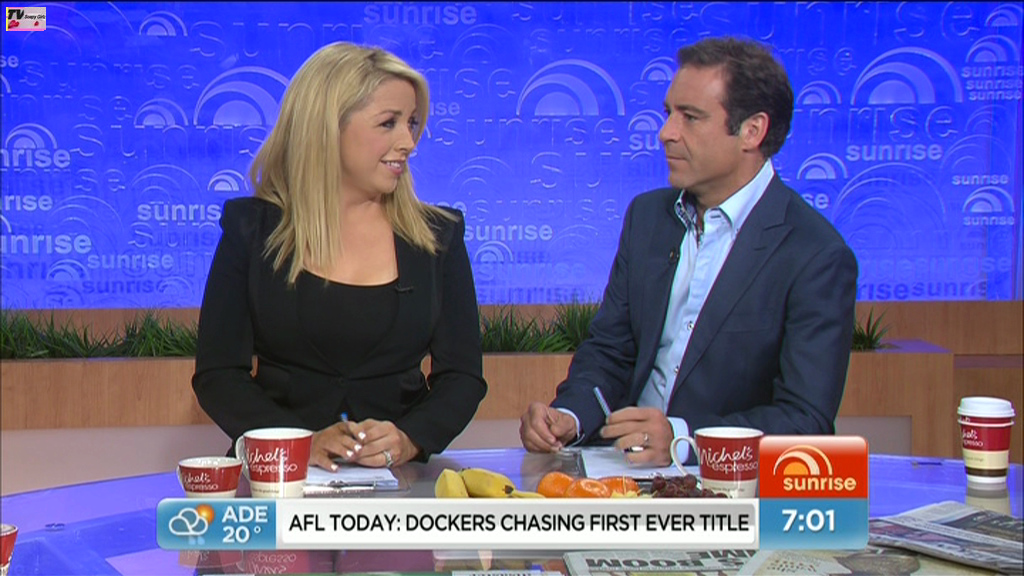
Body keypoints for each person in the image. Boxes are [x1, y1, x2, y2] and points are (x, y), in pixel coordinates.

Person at [519, 36, 858, 465]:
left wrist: (684, 441)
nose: (666, 133)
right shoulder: (647, 219)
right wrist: (569, 416)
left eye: (691, 117)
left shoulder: (814, 254)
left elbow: (805, 421)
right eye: (668, 114)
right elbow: (610, 352)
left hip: (722, 487)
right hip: (618, 471)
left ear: (752, 131)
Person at [192, 42, 487, 470]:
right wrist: (299, 444)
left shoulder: (437, 238)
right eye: (388, 123)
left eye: (412, 123)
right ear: (327, 127)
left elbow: (461, 377)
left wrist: (409, 439)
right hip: (280, 479)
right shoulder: (252, 230)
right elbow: (219, 375)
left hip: (397, 483)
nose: (408, 142)